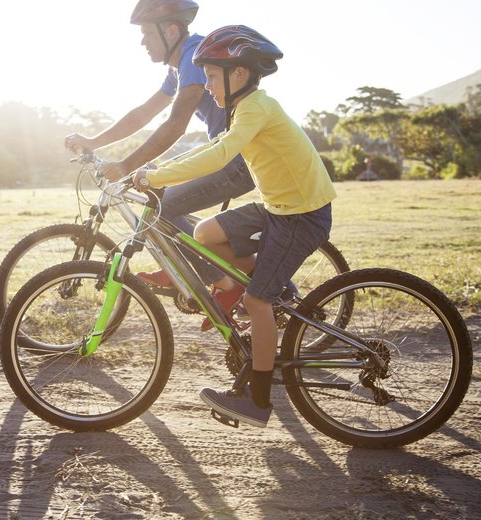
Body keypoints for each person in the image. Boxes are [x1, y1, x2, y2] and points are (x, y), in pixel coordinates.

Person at [131, 25, 336, 428]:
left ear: (238, 74)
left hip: (302, 215)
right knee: (204, 232)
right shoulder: (245, 109)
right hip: (279, 208)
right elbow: (213, 146)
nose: (207, 85)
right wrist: (159, 169)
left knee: (259, 303)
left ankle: (257, 401)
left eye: (210, 75)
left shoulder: (257, 107)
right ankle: (246, 282)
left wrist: (158, 179)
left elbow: (223, 153)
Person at [64, 0, 254, 287]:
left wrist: (127, 164)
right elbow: (143, 114)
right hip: (225, 153)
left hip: (238, 160)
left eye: (148, 33)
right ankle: (187, 266)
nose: (143, 42)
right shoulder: (179, 67)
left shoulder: (194, 58)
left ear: (172, 30)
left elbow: (176, 124)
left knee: (162, 210)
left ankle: (221, 283)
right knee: (158, 191)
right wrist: (94, 141)